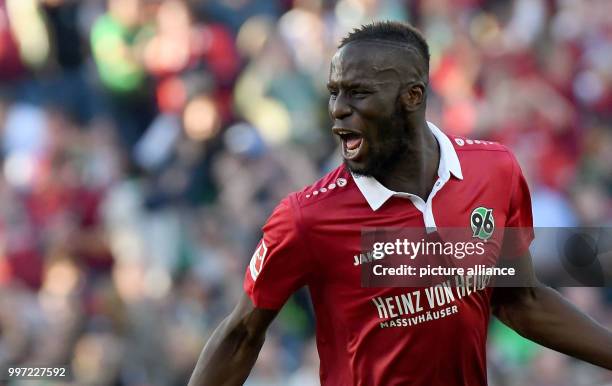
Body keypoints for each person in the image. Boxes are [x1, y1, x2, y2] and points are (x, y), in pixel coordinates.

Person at [188, 21, 612, 386]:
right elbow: (242, 333)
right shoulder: (307, 217)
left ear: (412, 96)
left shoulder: (493, 171)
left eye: (357, 94)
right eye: (334, 93)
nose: (337, 110)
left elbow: (520, 300)